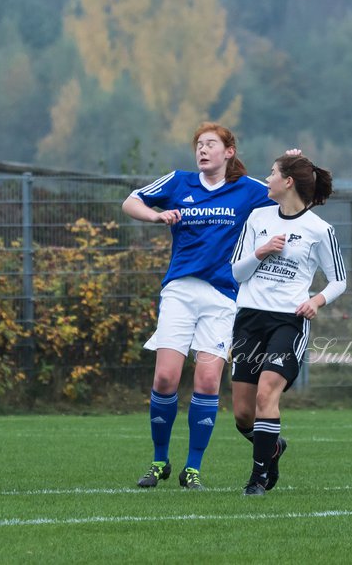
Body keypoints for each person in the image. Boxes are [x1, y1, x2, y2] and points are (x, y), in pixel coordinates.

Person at [122, 124, 287, 491]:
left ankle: (192, 469)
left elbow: (287, 200)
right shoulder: (179, 182)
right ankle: (159, 461)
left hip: (223, 297)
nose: (202, 150)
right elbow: (131, 201)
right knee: (165, 378)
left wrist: (291, 168)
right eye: (199, 145)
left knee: (208, 380)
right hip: (180, 291)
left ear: (229, 152)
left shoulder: (246, 190)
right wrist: (155, 216)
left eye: (211, 144)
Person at [230, 153, 346, 496]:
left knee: (267, 394)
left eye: (271, 173)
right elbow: (237, 272)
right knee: (241, 415)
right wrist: (261, 251)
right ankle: (273, 447)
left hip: (288, 322)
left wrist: (316, 301)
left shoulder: (319, 229)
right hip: (249, 318)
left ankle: (258, 479)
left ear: (288, 182)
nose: (267, 179)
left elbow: (338, 280)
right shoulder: (257, 217)